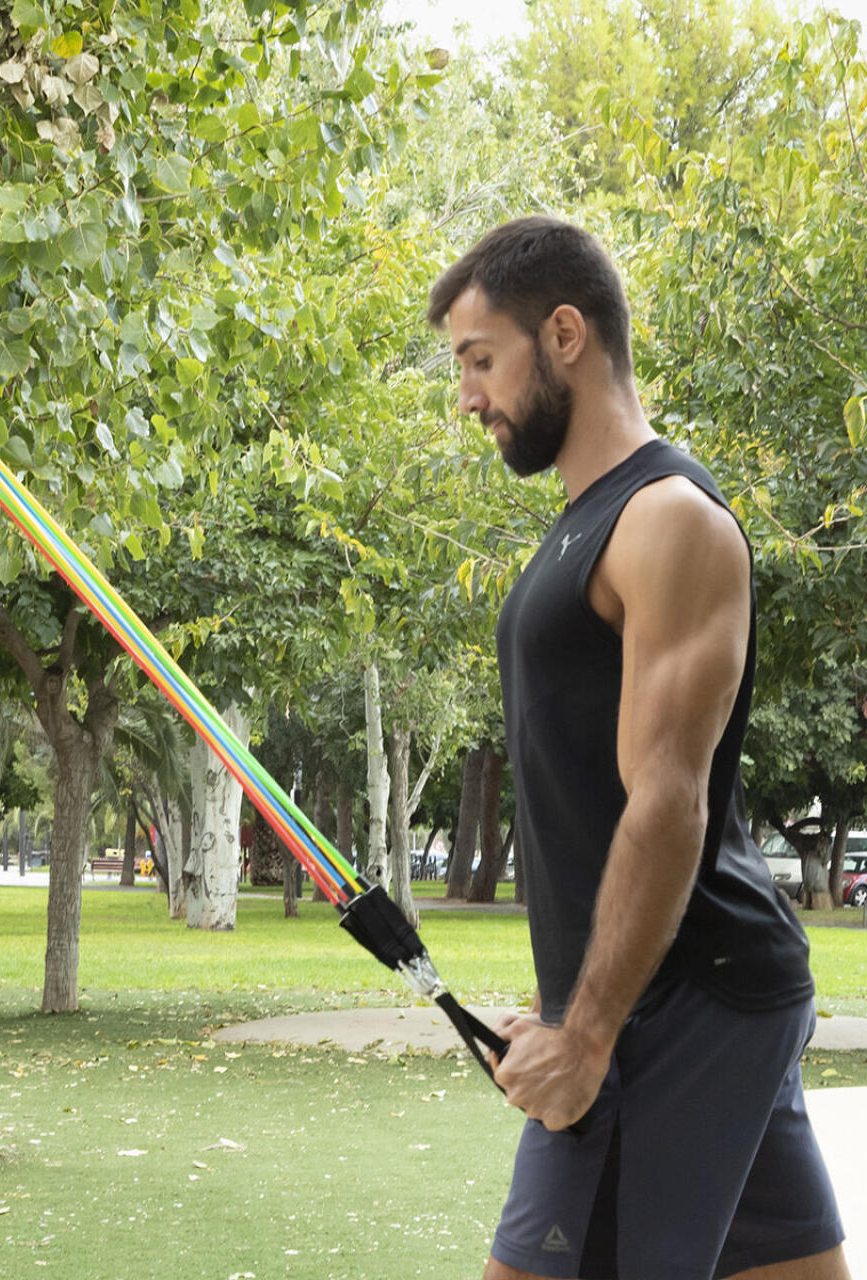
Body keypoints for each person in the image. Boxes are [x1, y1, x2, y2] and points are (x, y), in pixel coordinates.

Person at [428, 217, 848, 1280]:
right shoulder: (581, 522)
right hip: (696, 989)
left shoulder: (666, 519)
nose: (466, 396)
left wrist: (587, 1030)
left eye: (481, 359)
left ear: (562, 333)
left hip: (678, 1002)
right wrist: (570, 997)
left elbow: (665, 795)